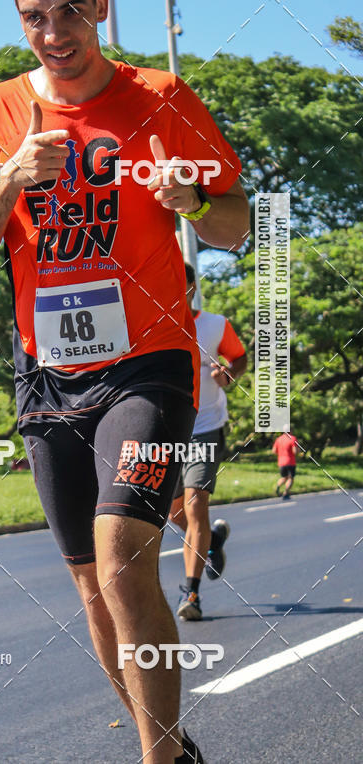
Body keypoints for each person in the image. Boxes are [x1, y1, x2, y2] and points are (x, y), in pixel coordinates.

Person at [0, 0, 250, 763]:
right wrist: (9, 180)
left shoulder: (162, 98)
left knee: (121, 558)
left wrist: (190, 199)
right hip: (48, 379)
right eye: (36, 16)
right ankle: (174, 750)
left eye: (72, 10)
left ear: (101, 5)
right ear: (18, 15)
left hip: (148, 366)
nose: (55, 32)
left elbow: (238, 224)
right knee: (90, 586)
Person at [168, 264, 247, 621]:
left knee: (196, 506)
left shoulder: (215, 324)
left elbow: (240, 357)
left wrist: (229, 372)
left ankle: (191, 594)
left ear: (191, 286)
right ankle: (212, 542)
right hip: (164, 430)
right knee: (173, 514)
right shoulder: (149, 324)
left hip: (205, 425)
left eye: (179, 284)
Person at [273, 432, 298, 498]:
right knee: (290, 478)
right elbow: (294, 451)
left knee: (284, 477)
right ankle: (286, 492)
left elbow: (274, 451)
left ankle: (277, 486)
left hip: (281, 462)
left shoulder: (278, 439)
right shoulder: (292, 438)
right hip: (290, 462)